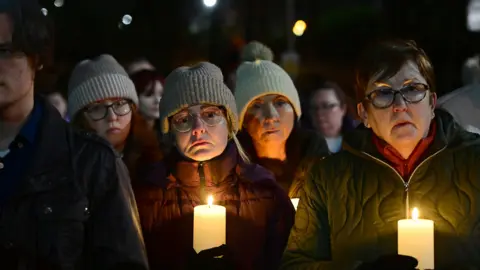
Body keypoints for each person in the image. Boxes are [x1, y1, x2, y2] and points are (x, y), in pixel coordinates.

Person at [280, 39, 480, 270]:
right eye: (383, 93)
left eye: (412, 89)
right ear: (364, 113)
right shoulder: (327, 178)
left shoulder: (474, 163)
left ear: (432, 103)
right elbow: (295, 263)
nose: (400, 105)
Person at [0, 1, 148, 269]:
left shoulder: (91, 162)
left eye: (5, 51)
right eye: (98, 108)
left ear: (37, 59)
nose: (112, 116)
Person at [133, 62, 295, 270]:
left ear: (228, 121)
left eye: (210, 115)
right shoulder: (146, 196)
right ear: (171, 131)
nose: (198, 128)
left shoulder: (265, 191)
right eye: (183, 119)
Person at [235, 41, 329, 198]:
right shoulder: (230, 172)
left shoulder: (319, 162)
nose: (271, 116)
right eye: (256, 106)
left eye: (280, 103)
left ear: (294, 110)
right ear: (242, 119)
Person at [68, 54, 162, 185]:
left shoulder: (154, 163)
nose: (112, 117)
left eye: (119, 104)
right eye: (97, 108)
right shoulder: (68, 173)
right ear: (80, 118)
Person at [308, 81, 358, 153]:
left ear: (343, 108)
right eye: (314, 108)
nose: (319, 113)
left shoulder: (359, 146)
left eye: (327, 106)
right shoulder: (301, 149)